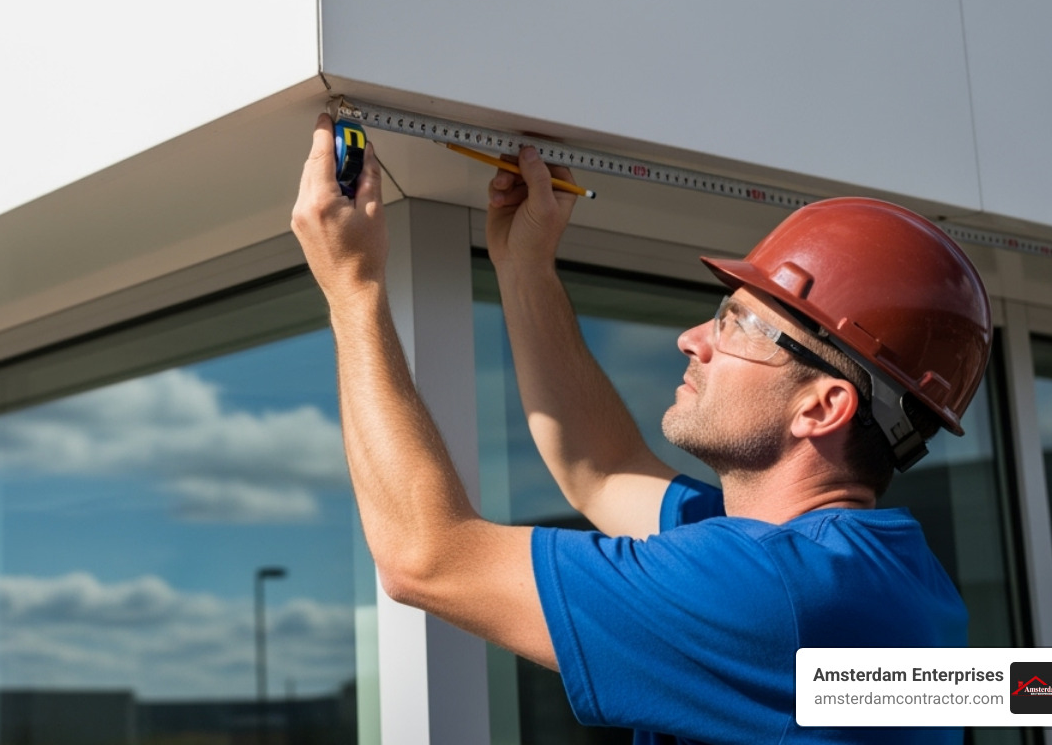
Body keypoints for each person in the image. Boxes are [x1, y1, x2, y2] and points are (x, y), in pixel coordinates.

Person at [290, 113, 992, 744]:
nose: (693, 339)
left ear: (821, 407)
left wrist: (353, 287)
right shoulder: (861, 572)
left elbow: (427, 558)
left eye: (739, 325)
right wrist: (525, 265)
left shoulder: (780, 594)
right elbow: (600, 468)